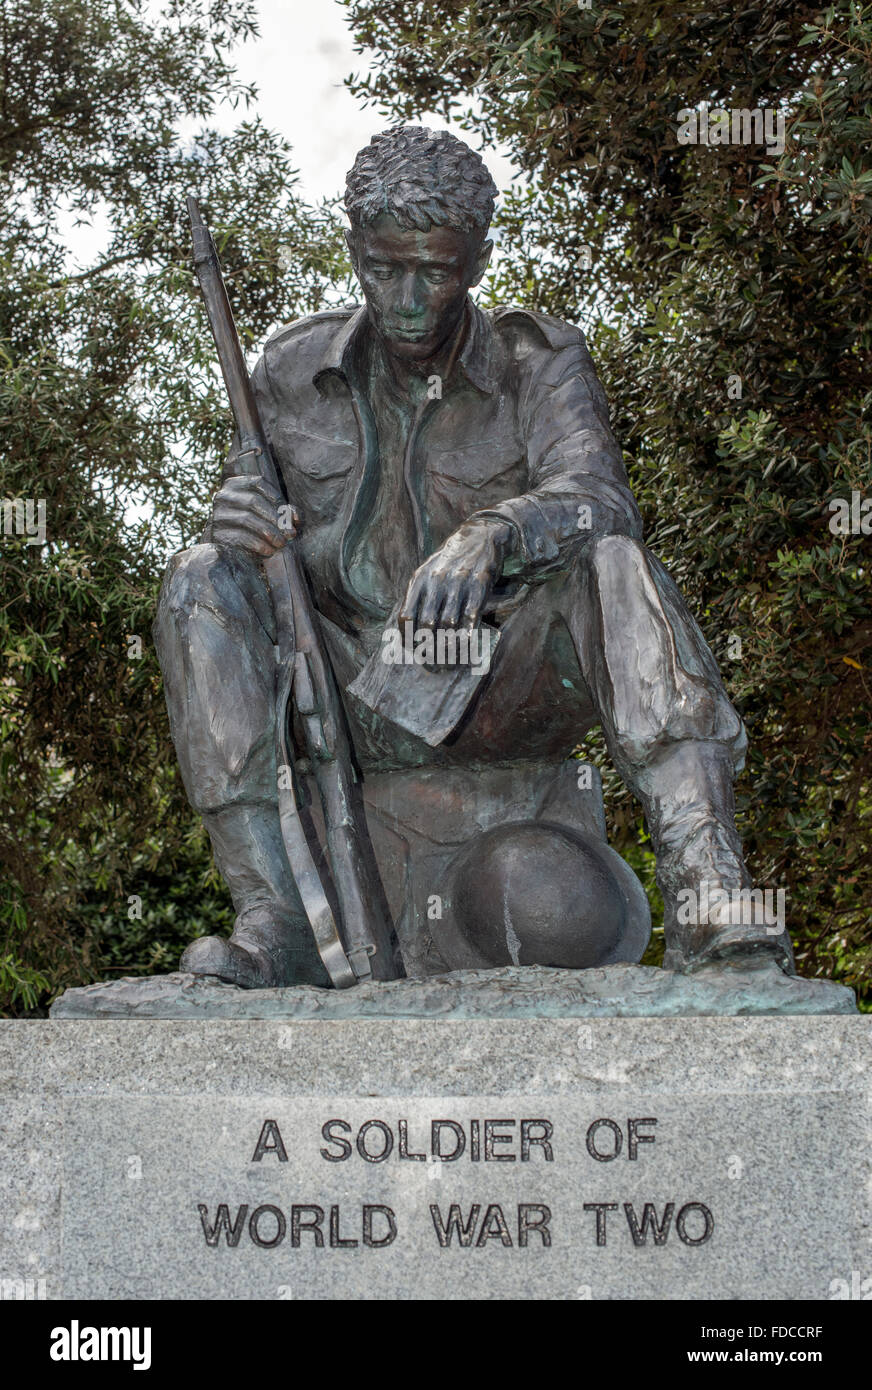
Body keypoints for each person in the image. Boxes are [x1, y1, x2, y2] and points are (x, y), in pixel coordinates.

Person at [154, 125, 793, 989]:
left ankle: (709, 889)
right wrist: (239, 529)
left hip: (495, 681)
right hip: (349, 690)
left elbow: (600, 497)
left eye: (438, 269)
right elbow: (258, 545)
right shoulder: (285, 370)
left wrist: (496, 531)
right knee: (200, 580)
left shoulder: (540, 360)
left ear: (478, 262)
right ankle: (276, 915)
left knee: (609, 562)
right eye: (385, 269)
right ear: (353, 252)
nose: (410, 299)